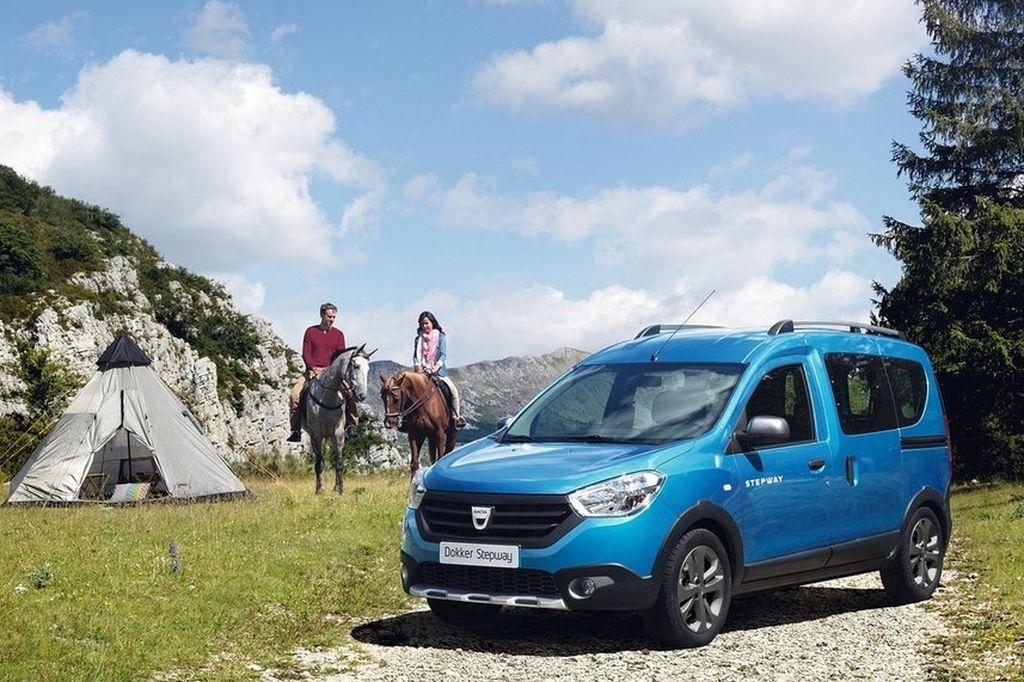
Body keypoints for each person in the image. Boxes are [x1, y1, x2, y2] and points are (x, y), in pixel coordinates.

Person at [288, 302, 359, 442]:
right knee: (295, 395)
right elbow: (306, 353)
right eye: (329, 316)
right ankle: (295, 429)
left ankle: (352, 425)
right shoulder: (310, 331)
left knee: (351, 394)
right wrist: (313, 368)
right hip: (312, 371)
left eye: (334, 317)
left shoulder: (339, 334)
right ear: (322, 315)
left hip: (332, 373)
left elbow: (340, 357)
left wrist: (330, 369)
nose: (332, 319)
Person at [413, 311, 467, 429]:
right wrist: (417, 365)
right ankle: (406, 421)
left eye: (426, 323)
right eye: (422, 324)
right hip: (421, 372)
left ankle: (456, 417)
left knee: (454, 392)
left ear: (432, 323)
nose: (424, 326)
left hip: (438, 372)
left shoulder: (441, 337)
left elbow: (443, 354)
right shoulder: (418, 339)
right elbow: (415, 356)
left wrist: (437, 365)